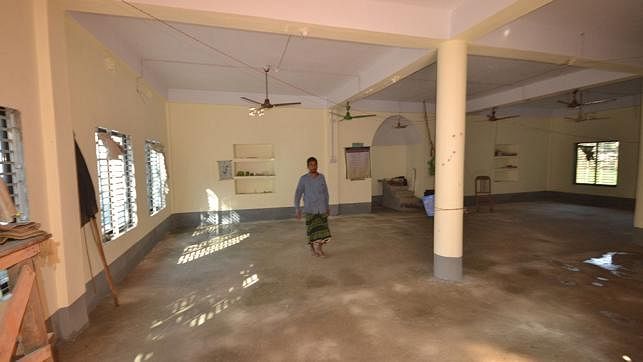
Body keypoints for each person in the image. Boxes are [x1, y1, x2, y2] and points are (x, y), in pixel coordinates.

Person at [294, 157, 331, 257]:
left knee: (322, 232)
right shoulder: (303, 179)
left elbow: (326, 193)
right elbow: (298, 193)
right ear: (308, 166)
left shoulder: (321, 177)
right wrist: (297, 209)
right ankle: (313, 249)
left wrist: (327, 206)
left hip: (321, 208)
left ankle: (319, 249)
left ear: (317, 165)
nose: (313, 167)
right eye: (311, 165)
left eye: (315, 164)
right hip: (310, 209)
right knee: (312, 231)